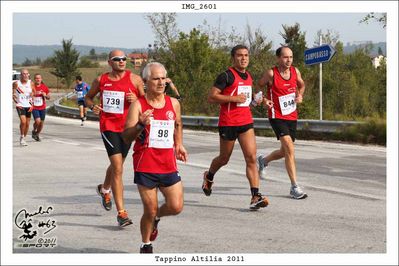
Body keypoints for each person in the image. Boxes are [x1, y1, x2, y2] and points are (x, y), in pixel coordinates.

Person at [122, 62, 187, 253]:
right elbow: (126, 136)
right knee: (149, 210)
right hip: (146, 164)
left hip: (167, 163)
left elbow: (177, 124)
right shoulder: (138, 105)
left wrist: (179, 144)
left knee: (176, 207)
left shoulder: (173, 103)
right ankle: (146, 244)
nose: (161, 82)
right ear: (145, 82)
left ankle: (156, 218)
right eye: (156, 79)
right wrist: (140, 125)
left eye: (163, 78)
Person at [201, 45, 269, 210]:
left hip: (245, 121)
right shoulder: (226, 76)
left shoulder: (248, 76)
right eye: (240, 55)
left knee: (251, 158)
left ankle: (255, 196)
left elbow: (245, 99)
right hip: (228, 123)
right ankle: (209, 176)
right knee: (224, 159)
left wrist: (258, 100)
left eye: (246, 55)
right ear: (233, 57)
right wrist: (233, 99)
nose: (243, 58)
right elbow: (211, 97)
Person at [85, 50, 145, 227]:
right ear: (109, 62)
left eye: (124, 59)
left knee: (116, 165)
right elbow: (88, 98)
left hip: (128, 128)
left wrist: (137, 99)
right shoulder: (101, 80)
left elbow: (146, 100)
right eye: (117, 59)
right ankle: (122, 213)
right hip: (109, 126)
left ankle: (104, 189)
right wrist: (93, 106)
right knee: (118, 167)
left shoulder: (135, 80)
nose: (121, 61)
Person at [256, 46, 307, 200]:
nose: (289, 60)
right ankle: (294, 187)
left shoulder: (295, 72)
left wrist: (300, 96)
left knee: (285, 151)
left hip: (291, 115)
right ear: (278, 58)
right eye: (285, 57)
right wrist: (264, 100)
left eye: (291, 57)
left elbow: (302, 85)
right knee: (290, 149)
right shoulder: (271, 73)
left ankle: (264, 160)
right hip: (276, 115)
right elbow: (258, 87)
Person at [13, 68, 36, 146]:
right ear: (21, 75)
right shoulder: (16, 83)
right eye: (24, 74)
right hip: (20, 105)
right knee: (23, 121)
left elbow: (34, 92)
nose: (26, 75)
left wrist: (32, 97)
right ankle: (22, 136)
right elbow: (13, 94)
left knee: (27, 124)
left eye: (27, 74)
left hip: (29, 105)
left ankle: (23, 138)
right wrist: (16, 101)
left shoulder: (31, 83)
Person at [31, 73, 50, 141]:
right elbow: (28, 95)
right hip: (34, 107)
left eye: (39, 78)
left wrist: (45, 95)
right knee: (37, 121)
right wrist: (34, 94)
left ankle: (37, 134)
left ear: (41, 79)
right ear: (34, 79)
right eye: (36, 78)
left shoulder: (44, 87)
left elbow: (49, 97)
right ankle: (34, 130)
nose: (38, 79)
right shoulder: (31, 87)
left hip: (42, 107)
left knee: (41, 123)